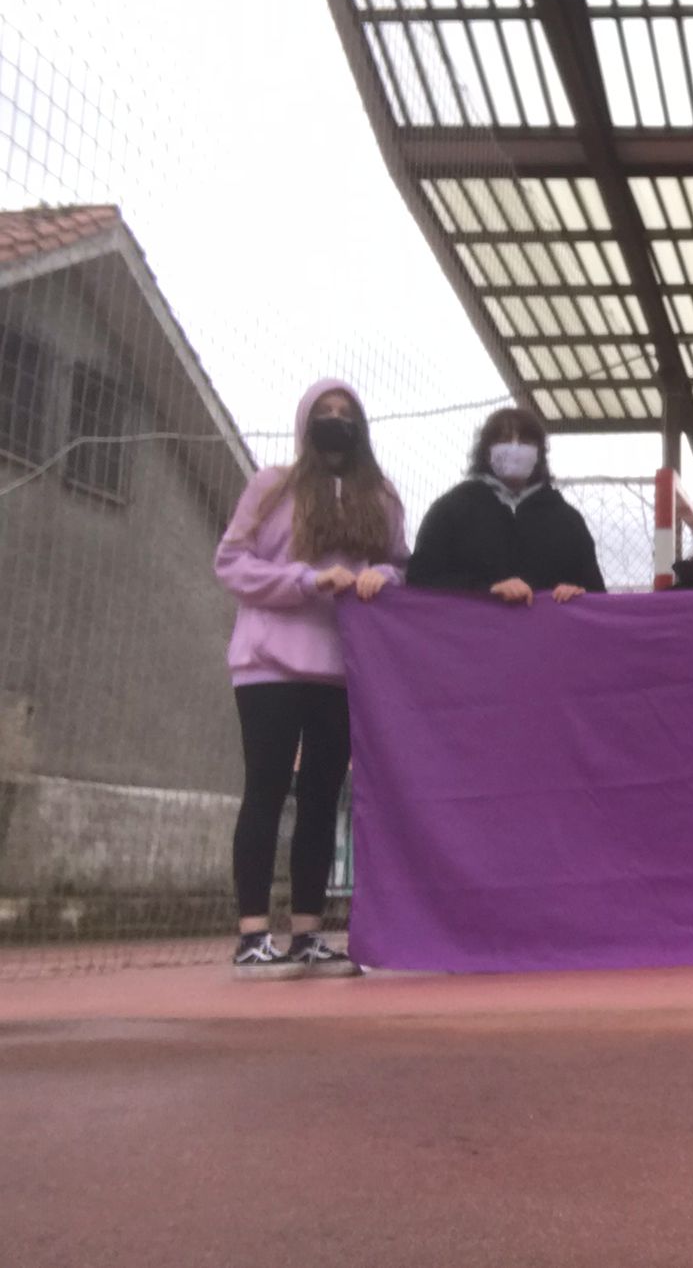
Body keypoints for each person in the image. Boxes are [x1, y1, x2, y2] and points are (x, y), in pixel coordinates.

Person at [213, 379, 407, 980]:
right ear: (305, 422)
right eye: (323, 412)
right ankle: (251, 935)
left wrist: (380, 577)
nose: (334, 420)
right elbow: (232, 562)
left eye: (344, 413)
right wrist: (304, 580)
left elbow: (401, 561)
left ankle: (306, 933)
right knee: (266, 790)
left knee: (323, 799)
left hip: (341, 668)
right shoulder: (274, 486)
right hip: (268, 663)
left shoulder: (382, 495)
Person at [406, 406, 606, 603]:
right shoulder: (452, 509)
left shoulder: (567, 520)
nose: (515, 448)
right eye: (504, 440)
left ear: (539, 454)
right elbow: (420, 579)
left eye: (525, 442)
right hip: (472, 632)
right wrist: (487, 590)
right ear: (486, 452)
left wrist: (577, 592)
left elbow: (596, 593)